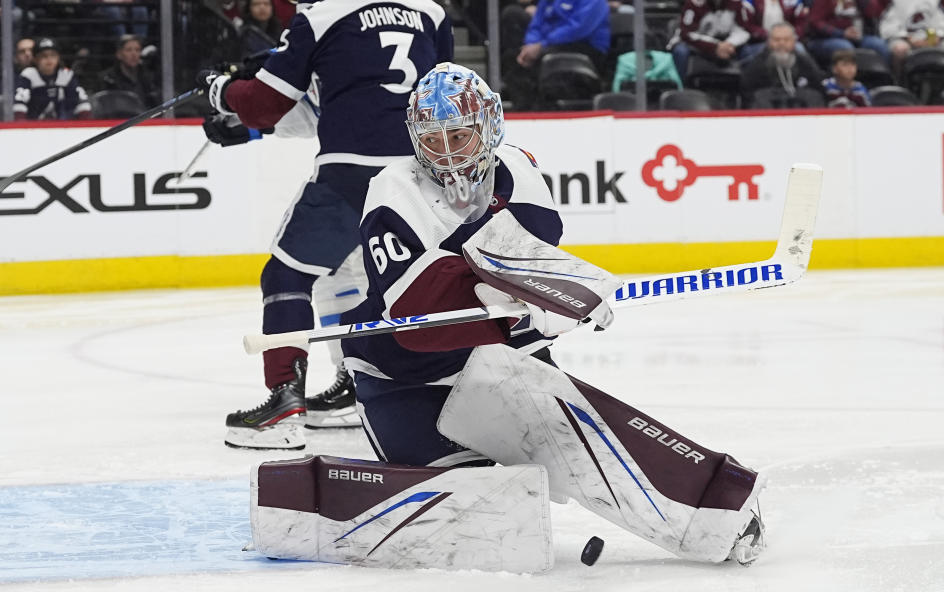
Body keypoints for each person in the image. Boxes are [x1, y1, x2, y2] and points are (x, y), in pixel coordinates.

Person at [249, 62, 767, 570]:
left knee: (581, 431)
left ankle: (715, 511)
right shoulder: (392, 191)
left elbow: (524, 259)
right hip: (400, 380)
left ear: (490, 127)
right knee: (488, 511)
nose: (449, 153)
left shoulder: (519, 169)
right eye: (435, 139)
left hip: (496, 360)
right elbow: (418, 322)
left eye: (461, 136)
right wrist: (525, 307)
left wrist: (553, 297)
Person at [197, 0, 453, 450]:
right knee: (353, 275)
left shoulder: (319, 17)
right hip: (420, 173)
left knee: (287, 276)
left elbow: (264, 104)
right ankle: (358, 385)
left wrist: (222, 89)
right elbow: (380, 94)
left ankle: (283, 405)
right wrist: (259, 124)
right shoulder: (430, 12)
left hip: (352, 173)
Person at [501, 0, 610, 110]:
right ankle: (524, 111)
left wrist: (541, 46)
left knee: (549, 60)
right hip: (547, 46)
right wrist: (531, 45)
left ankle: (547, 110)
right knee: (512, 58)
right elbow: (535, 26)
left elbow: (578, 28)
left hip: (583, 46)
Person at [741, 22, 826, 106]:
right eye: (776, 40)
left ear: (794, 42)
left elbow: (818, 89)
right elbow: (748, 94)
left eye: (786, 40)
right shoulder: (756, 66)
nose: (781, 43)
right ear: (768, 42)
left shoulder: (806, 63)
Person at [668, 0, 750, 82]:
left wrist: (729, 44)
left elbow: (744, 31)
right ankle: (680, 87)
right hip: (696, 45)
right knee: (681, 51)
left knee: (748, 51)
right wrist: (715, 47)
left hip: (726, 45)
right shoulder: (693, 3)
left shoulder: (736, 3)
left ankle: (743, 89)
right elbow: (686, 34)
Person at [14, 37, 92, 121]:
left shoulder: (66, 75)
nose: (49, 59)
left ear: (58, 57)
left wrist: (84, 127)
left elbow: (82, 103)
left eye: (53, 55)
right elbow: (19, 103)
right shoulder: (29, 75)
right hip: (34, 128)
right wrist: (22, 127)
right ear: (35, 59)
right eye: (44, 56)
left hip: (65, 128)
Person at [879, 0, 944, 77]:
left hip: (933, 39)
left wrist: (937, 36)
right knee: (900, 49)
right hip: (905, 39)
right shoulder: (896, 2)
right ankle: (898, 82)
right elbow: (888, 27)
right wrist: (908, 38)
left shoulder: (935, 1)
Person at [806, 0, 890, 66]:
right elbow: (815, 23)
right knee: (846, 49)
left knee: (880, 45)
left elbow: (873, 12)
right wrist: (842, 33)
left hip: (859, 36)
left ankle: (884, 82)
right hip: (828, 38)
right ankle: (849, 84)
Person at [98, 35, 159, 108]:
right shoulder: (107, 78)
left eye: (137, 50)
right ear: (119, 54)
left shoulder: (148, 77)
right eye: (129, 50)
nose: (134, 54)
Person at [738, 0, 809, 62]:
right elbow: (748, 26)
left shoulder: (790, 2)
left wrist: (790, 37)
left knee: (799, 48)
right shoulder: (750, 2)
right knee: (766, 52)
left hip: (785, 39)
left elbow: (799, 23)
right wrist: (769, 36)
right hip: (760, 42)